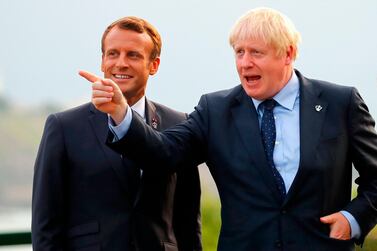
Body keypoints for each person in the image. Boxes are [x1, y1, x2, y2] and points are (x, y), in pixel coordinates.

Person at [84, 7, 377, 251]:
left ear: (288, 54)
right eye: (239, 52)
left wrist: (353, 219)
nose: (244, 63)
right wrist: (121, 114)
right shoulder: (215, 110)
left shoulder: (340, 103)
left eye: (256, 53)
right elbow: (163, 153)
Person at [32, 16, 202, 251]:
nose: (121, 63)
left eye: (133, 55)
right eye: (113, 54)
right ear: (102, 61)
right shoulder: (63, 127)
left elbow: (188, 221)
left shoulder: (179, 124)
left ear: (154, 65)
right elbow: (46, 226)